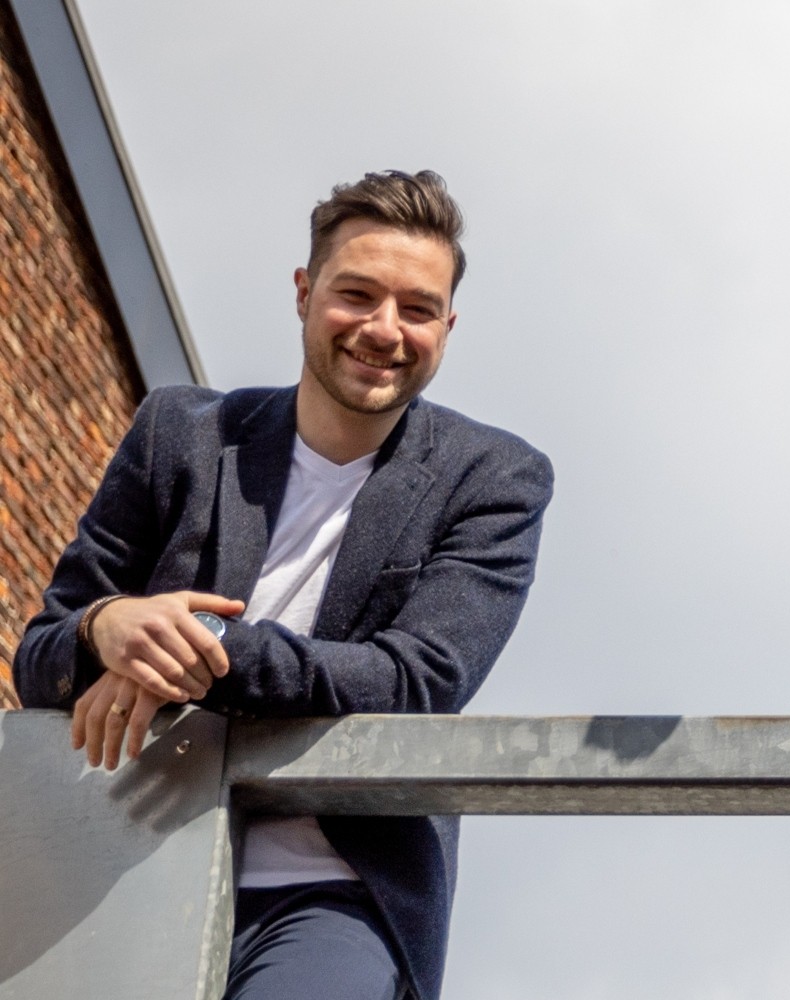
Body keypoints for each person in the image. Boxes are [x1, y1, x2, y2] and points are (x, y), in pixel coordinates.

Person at [12, 170, 553, 1000]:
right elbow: (41, 657)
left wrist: (206, 648)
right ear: (303, 293)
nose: (384, 329)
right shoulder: (179, 436)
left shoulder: (494, 478)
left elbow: (415, 682)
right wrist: (106, 627)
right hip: (123, 861)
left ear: (448, 326)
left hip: (335, 891)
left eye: (416, 309)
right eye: (357, 295)